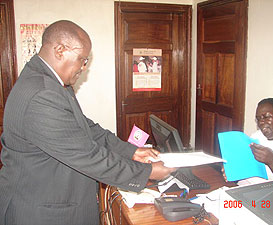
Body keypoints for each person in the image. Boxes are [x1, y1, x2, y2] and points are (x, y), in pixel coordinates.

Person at [0, 20, 175, 225]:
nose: (84, 67)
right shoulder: (42, 93)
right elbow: (87, 156)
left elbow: (87, 128)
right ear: (60, 50)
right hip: (42, 211)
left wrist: (131, 151)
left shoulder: (51, 83)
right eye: (82, 60)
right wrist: (148, 172)